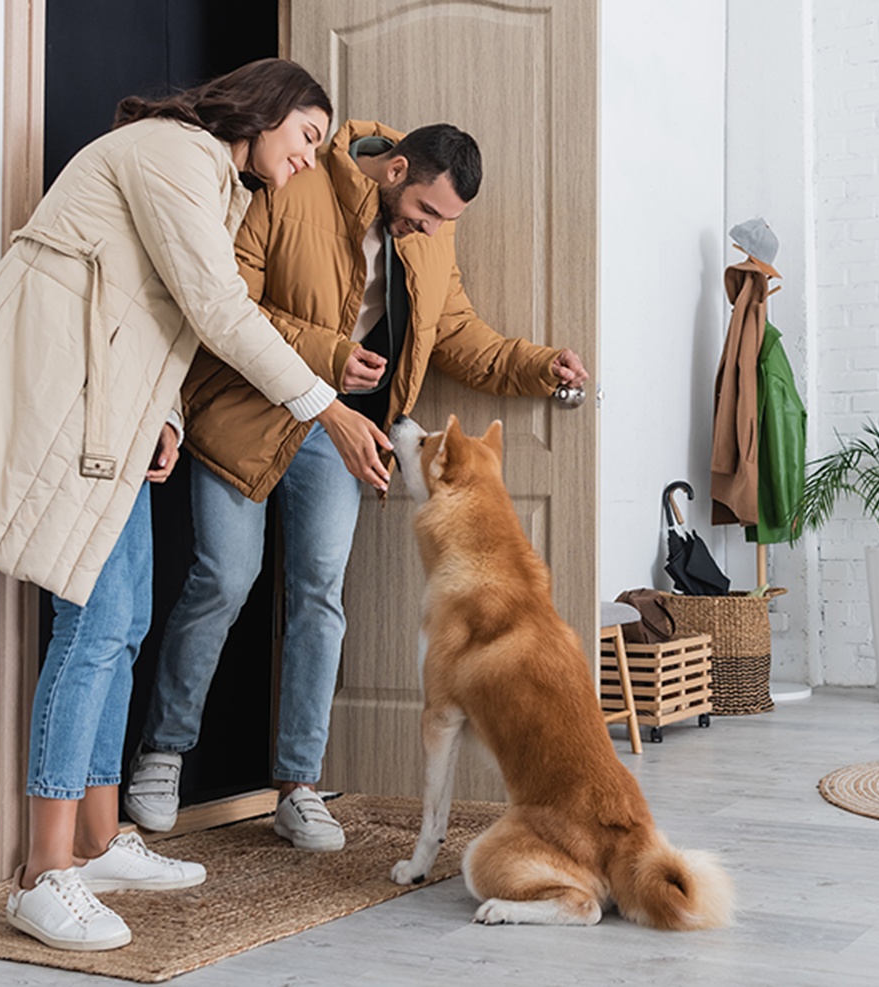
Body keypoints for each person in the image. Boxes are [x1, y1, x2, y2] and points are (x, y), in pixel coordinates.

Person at [0, 59, 392, 951]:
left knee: (130, 614)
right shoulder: (174, 154)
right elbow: (217, 308)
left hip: (114, 408)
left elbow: (156, 319)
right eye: (307, 135)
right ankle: (44, 871)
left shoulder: (218, 184)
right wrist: (326, 407)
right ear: (264, 111)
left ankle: (100, 837)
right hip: (69, 399)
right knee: (97, 623)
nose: (312, 157)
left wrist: (164, 413)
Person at [123, 121, 588, 850]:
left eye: (446, 222)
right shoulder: (297, 183)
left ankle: (298, 784)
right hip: (250, 410)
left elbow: (459, 334)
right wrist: (329, 353)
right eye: (428, 212)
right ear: (396, 169)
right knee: (224, 577)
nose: (433, 229)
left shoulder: (432, 236)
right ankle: (163, 753)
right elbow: (224, 298)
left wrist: (537, 366)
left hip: (342, 436)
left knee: (320, 594)